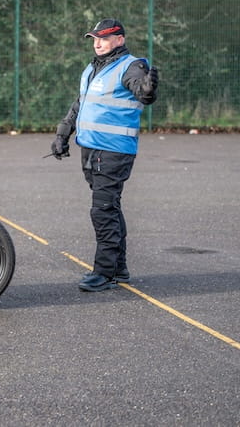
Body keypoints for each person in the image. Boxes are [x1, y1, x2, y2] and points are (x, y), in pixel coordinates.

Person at [50, 18, 159, 292]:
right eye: (94, 38)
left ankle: (106, 272)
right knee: (109, 207)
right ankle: (118, 269)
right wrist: (63, 134)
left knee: (102, 210)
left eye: (105, 38)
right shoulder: (93, 68)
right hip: (91, 148)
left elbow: (141, 90)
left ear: (119, 40)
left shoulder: (131, 66)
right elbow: (81, 103)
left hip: (113, 151)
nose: (98, 43)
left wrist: (147, 91)